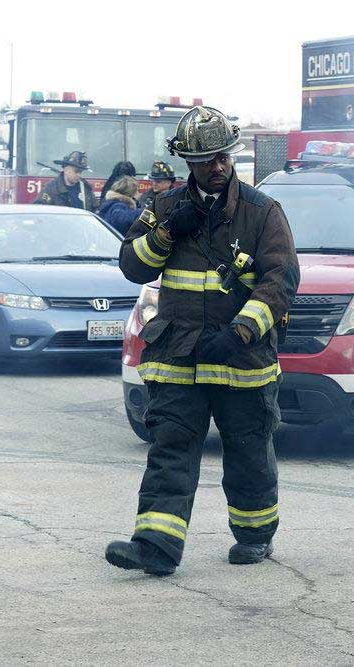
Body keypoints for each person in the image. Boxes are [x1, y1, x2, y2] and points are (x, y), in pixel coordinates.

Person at [107, 106, 300, 576]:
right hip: (178, 358)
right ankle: (155, 547)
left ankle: (255, 536)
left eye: (223, 157)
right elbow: (133, 265)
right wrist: (170, 232)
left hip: (242, 359)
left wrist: (241, 331)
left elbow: (281, 279)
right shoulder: (165, 208)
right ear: (187, 162)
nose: (217, 167)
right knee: (170, 450)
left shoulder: (262, 212)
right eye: (206, 159)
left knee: (249, 451)